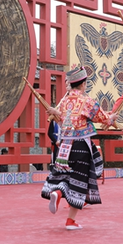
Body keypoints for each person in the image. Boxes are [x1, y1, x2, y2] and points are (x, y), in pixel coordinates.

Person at [40, 66, 112, 230]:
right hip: (80, 145)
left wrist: (55, 112)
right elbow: (103, 118)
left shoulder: (64, 102)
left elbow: (62, 122)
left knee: (65, 176)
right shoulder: (87, 101)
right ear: (84, 84)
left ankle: (58, 193)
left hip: (65, 146)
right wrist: (111, 118)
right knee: (80, 180)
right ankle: (70, 220)